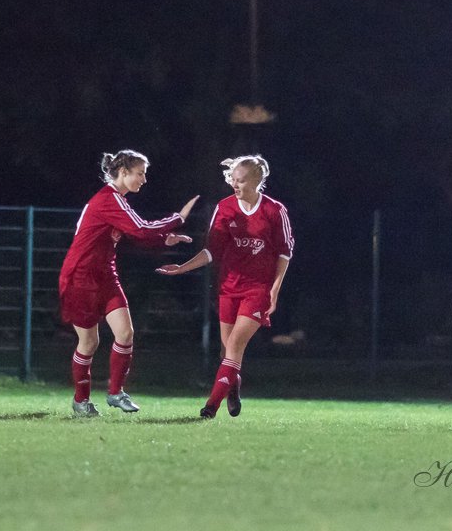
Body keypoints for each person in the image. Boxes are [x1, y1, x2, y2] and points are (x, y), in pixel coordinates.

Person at [59, 150, 199, 417]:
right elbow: (141, 229)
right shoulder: (108, 199)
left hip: (105, 275)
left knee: (125, 334)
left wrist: (163, 239)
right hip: (81, 276)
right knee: (88, 343)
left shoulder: (117, 200)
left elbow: (139, 233)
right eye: (140, 173)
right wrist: (178, 219)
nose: (144, 179)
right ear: (123, 172)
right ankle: (81, 401)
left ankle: (115, 393)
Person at [157, 155, 294, 419]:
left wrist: (274, 290)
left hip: (257, 290)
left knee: (234, 347)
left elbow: (284, 253)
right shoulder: (224, 207)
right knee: (226, 352)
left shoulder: (275, 211)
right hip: (229, 288)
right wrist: (182, 267)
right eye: (233, 180)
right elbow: (212, 250)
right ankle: (233, 386)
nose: (235, 185)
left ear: (257, 180)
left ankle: (210, 407)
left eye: (241, 181)